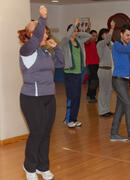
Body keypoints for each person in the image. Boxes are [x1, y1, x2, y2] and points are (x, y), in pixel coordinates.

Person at [18, 5, 64, 180]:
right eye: (40, 32)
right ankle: (29, 167)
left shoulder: (45, 51)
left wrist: (56, 47)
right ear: (30, 34)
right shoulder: (26, 51)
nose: (45, 35)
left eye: (46, 32)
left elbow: (60, 64)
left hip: (48, 97)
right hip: (31, 98)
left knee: (45, 132)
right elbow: (36, 38)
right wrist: (42, 17)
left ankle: (42, 166)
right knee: (37, 132)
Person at [60, 18, 92, 128]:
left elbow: (88, 36)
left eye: (77, 31)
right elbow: (68, 35)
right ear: (69, 31)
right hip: (69, 73)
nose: (76, 32)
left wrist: (78, 31)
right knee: (71, 96)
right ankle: (68, 119)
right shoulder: (65, 42)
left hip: (78, 73)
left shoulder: (79, 41)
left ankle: (74, 118)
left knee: (77, 97)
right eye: (74, 31)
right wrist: (74, 25)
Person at [96, 20, 115, 117]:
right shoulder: (100, 44)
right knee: (103, 90)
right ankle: (102, 110)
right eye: (106, 34)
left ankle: (106, 109)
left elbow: (112, 47)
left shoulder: (108, 45)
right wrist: (112, 28)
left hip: (108, 70)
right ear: (103, 35)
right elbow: (108, 39)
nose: (108, 35)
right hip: (103, 69)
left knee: (109, 90)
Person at [85, 30, 100, 103]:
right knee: (94, 81)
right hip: (90, 64)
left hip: (97, 64)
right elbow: (86, 38)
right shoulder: (87, 42)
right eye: (93, 35)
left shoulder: (96, 43)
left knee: (92, 81)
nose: (95, 37)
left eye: (96, 36)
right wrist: (88, 30)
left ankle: (89, 95)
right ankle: (91, 97)